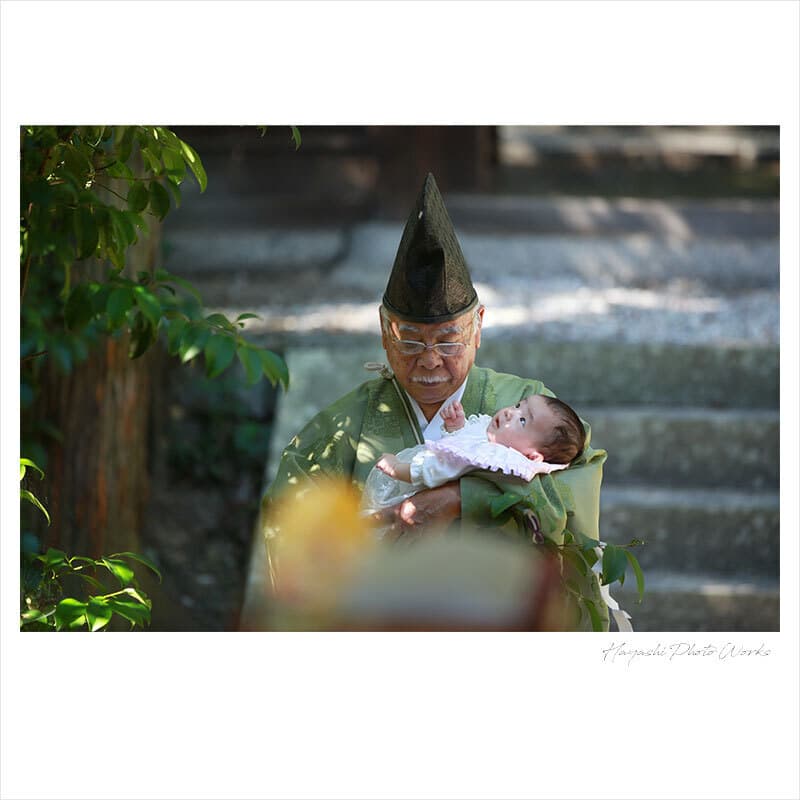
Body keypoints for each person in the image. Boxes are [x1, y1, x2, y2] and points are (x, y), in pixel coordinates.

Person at [262, 172, 609, 630]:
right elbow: (287, 525)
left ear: (478, 326)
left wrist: (463, 497)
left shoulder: (527, 407)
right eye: (410, 341)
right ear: (385, 331)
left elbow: (575, 487)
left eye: (448, 340)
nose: (429, 361)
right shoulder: (341, 430)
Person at [362, 395, 584, 528]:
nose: (510, 413)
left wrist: (398, 469)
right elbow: (460, 446)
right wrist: (456, 428)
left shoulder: (497, 457)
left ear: (531, 456)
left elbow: (440, 468)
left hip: (410, 489)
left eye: (523, 420)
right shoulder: (494, 439)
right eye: (518, 406)